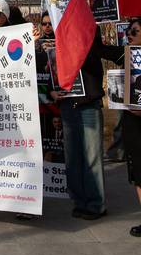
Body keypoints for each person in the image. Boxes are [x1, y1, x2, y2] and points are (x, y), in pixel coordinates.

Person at [51, 26, 124, 220]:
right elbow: (48, 69)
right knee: (73, 157)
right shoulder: (58, 35)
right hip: (67, 103)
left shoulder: (89, 31)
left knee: (92, 156)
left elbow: (99, 55)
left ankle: (95, 204)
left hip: (89, 103)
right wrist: (51, 90)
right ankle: (79, 201)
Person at [122, 18, 141, 237]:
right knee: (138, 172)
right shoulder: (124, 54)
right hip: (132, 124)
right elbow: (100, 49)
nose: (130, 34)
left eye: (134, 31)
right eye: (128, 31)